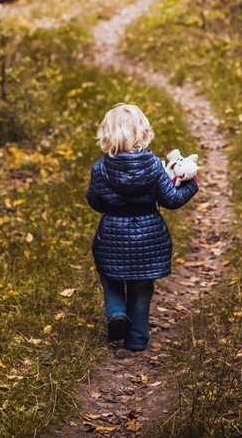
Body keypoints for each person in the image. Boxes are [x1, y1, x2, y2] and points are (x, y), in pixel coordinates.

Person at [86, 103, 199, 354]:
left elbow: (95, 202)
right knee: (141, 287)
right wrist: (191, 185)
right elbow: (171, 199)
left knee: (111, 276)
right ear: (143, 133)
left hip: (113, 234)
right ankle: (136, 339)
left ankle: (116, 313)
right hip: (149, 237)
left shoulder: (100, 168)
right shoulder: (155, 166)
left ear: (107, 134)